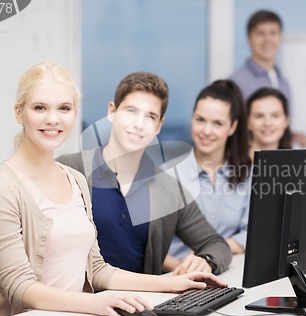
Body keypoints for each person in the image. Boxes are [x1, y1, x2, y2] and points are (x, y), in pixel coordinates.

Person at [0, 64, 226, 316]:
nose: (53, 119)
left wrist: (170, 283)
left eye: (64, 108)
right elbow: (19, 286)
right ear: (19, 112)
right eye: (40, 107)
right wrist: (99, 303)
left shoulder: (72, 179)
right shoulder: (7, 184)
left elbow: (95, 268)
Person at [57, 72, 232, 276]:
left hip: (141, 303)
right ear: (112, 111)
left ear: (159, 126)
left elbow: (216, 244)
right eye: (131, 111)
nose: (139, 124)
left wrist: (206, 261)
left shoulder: (170, 190)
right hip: (77, 304)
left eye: (150, 116)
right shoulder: (69, 168)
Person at [164, 80, 252, 273]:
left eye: (218, 123)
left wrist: (211, 256)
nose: (206, 131)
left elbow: (254, 233)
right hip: (179, 276)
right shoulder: (168, 176)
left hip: (232, 271)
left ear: (232, 127)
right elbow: (150, 246)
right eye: (200, 120)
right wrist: (184, 268)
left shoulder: (247, 174)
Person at [246, 87, 306, 240]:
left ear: (286, 121)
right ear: (248, 122)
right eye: (259, 116)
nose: (267, 123)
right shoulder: (232, 167)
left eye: (275, 116)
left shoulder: (292, 169)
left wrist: (289, 236)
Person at [230, 9, 306, 148]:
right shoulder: (237, 82)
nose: (268, 40)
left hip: (279, 162)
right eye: (260, 33)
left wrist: (291, 135)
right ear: (249, 39)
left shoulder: (284, 83)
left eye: (273, 33)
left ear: (280, 37)